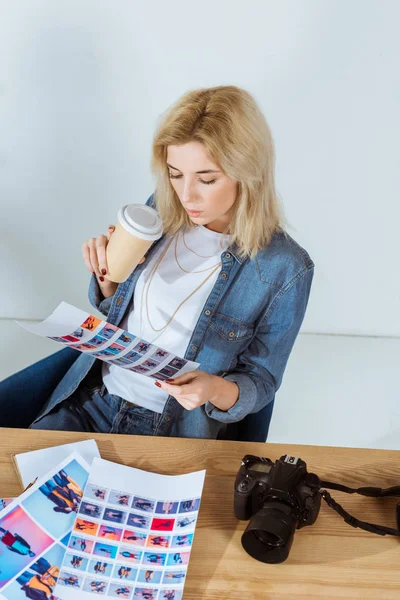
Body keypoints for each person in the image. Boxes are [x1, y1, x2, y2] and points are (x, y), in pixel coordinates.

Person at [1, 85, 314, 440]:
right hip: (93, 401)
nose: (186, 195)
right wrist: (106, 275)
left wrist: (212, 389)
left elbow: (262, 381)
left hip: (173, 429)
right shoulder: (160, 212)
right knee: (17, 485)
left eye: (206, 179)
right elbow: (116, 307)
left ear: (248, 171)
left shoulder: (285, 268)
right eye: (175, 173)